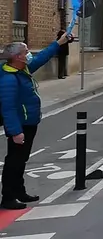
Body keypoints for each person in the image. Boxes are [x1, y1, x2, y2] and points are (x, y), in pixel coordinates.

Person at [0, 31, 71, 209]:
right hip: (20, 125)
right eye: (25, 52)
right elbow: (8, 109)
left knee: (21, 159)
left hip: (30, 122)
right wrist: (16, 132)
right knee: (14, 161)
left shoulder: (22, 70)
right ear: (17, 57)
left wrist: (59, 43)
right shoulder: (9, 78)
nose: (29, 53)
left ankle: (19, 191)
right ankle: (8, 197)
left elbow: (42, 58)